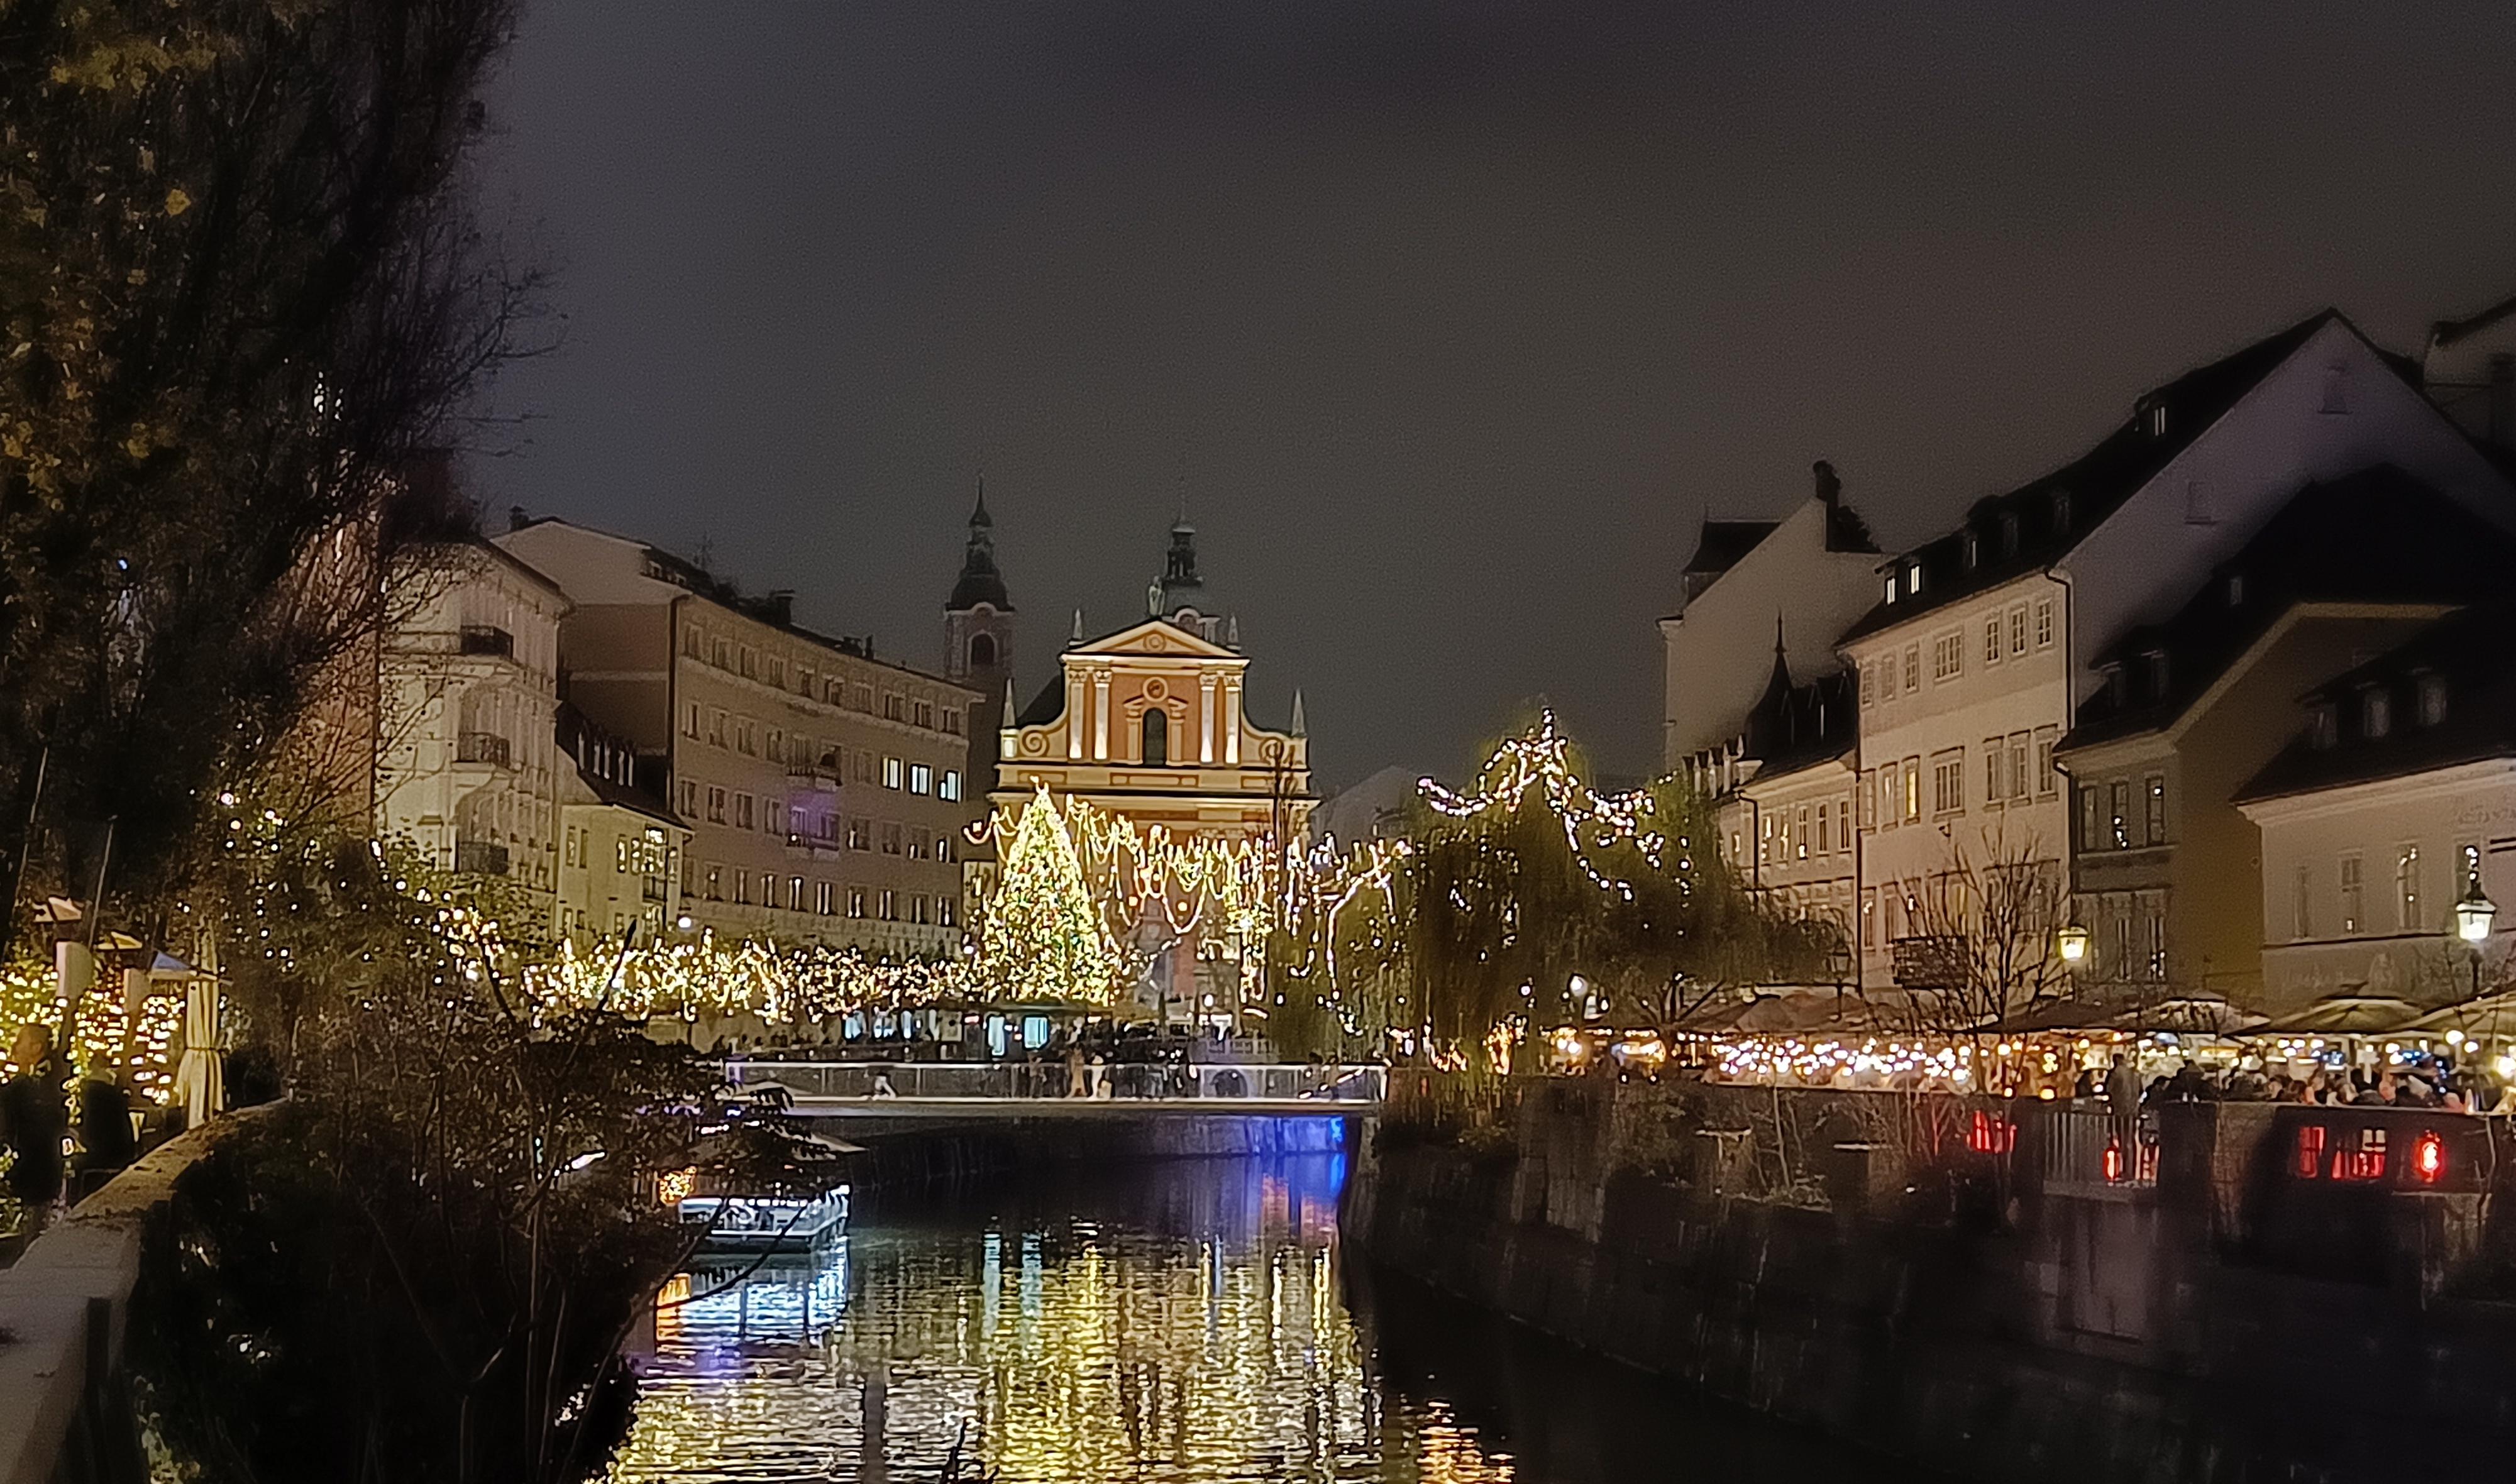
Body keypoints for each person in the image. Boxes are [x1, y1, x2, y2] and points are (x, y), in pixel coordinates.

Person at [3, 1025, 69, 1232]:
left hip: (34, 1172)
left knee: (33, 1228)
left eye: (20, 1041)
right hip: (41, 1172)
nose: (15, 1048)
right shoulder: (52, 1079)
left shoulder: (32, 1086)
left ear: (36, 1047)